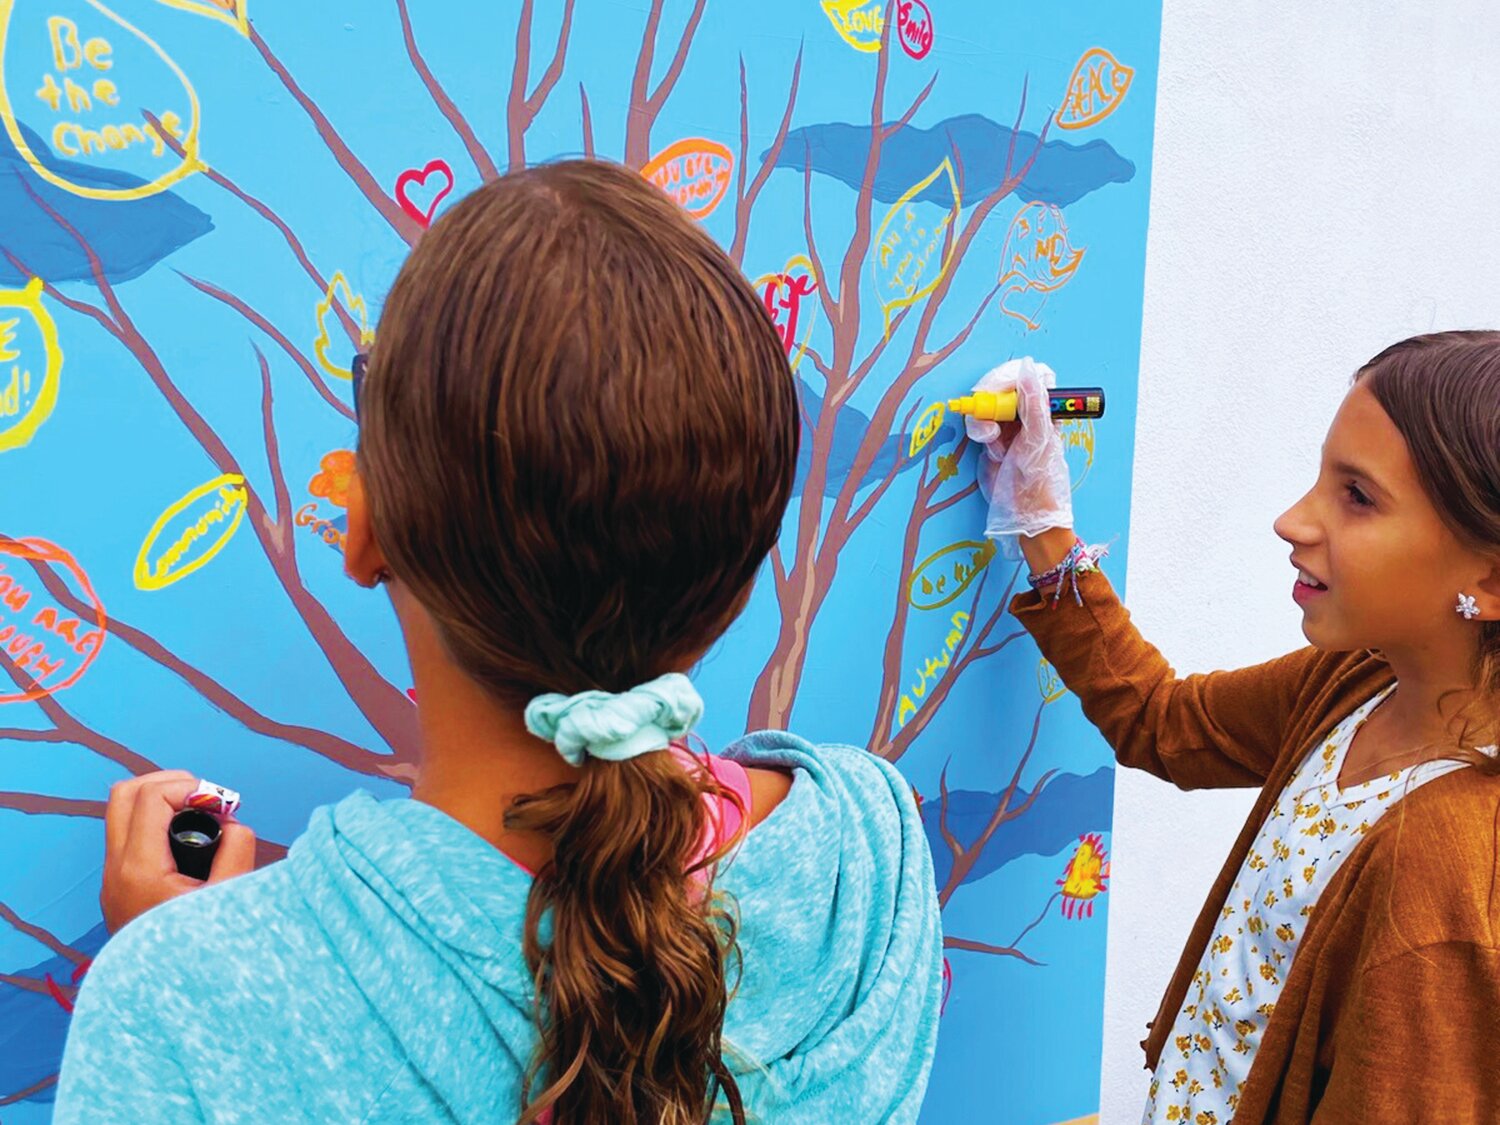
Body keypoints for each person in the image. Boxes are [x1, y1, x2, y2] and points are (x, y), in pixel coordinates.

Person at [53, 160, 942, 1125]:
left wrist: (204, 994)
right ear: (734, 577)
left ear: (364, 527)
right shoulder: (869, 851)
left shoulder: (188, 1009)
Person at [971, 341, 1500, 1123]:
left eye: (1357, 495)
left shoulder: (1442, 864)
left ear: (1487, 580)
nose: (1293, 520)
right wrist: (1043, 522)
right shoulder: (1358, 681)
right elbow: (1164, 720)